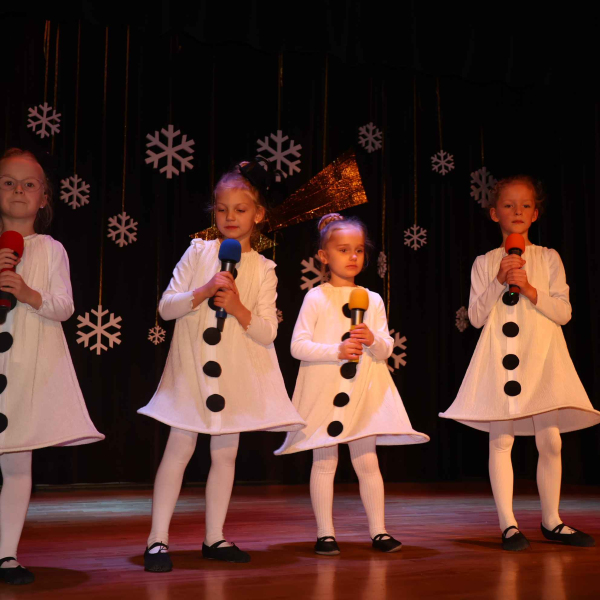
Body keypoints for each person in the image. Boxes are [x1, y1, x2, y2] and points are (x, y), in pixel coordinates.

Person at [139, 160, 305, 570]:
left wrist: (237, 307)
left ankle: (214, 537)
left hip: (234, 374)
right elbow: (166, 307)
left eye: (240, 209)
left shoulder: (264, 269)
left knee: (225, 454)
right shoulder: (199, 252)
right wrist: (203, 291)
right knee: (178, 449)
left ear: (259, 214)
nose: (230, 217)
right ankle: (157, 540)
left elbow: (267, 331)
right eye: (222, 209)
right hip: (191, 370)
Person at [440, 176, 599, 551]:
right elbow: (476, 317)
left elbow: (564, 313)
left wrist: (528, 288)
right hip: (500, 359)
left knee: (551, 441)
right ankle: (508, 524)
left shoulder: (548, 257)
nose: (517, 211)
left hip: (542, 359)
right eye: (508, 205)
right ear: (494, 213)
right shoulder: (485, 262)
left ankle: (552, 520)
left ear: (536, 214)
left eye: (525, 205)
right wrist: (499, 280)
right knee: (501, 440)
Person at [276, 213, 429, 556]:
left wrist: (372, 339)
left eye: (358, 250)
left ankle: (379, 531)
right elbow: (297, 346)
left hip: (363, 391)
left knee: (367, 462)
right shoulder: (316, 298)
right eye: (343, 249)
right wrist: (337, 350)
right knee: (324, 462)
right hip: (325, 391)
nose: (353, 256)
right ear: (324, 255)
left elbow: (385, 348)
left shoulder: (372, 299)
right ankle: (325, 534)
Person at [0, 149, 104, 585]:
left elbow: (64, 306)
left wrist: (27, 293)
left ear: (44, 197)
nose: (18, 190)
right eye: (8, 182)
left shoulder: (51, 249)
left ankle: (6, 554)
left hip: (25, 370)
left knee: (16, 463)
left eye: (29, 184)